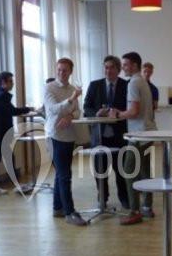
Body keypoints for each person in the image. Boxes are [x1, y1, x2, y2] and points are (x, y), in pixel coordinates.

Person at [108, 51, 156, 225]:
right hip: (148, 133)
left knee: (129, 171)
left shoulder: (133, 83)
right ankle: (147, 207)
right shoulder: (143, 82)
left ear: (135, 65)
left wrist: (118, 114)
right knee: (144, 172)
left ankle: (134, 211)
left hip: (138, 135)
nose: (123, 68)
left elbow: (134, 111)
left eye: (126, 65)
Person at [44, 58, 87, 226]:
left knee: (61, 174)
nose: (62, 73)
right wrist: (71, 100)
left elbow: (78, 112)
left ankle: (57, 208)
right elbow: (53, 109)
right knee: (65, 175)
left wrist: (70, 115)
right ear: (56, 70)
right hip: (55, 136)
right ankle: (70, 212)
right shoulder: (49, 88)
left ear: (70, 72)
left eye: (65, 70)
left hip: (69, 136)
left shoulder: (71, 89)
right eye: (59, 70)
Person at [83, 55, 129, 210]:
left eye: (111, 67)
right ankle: (102, 197)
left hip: (119, 135)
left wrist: (117, 113)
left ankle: (124, 198)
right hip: (99, 136)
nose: (108, 70)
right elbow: (86, 107)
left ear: (118, 69)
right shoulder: (94, 85)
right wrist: (97, 113)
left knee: (121, 169)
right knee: (100, 169)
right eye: (106, 67)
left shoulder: (126, 85)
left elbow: (129, 110)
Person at [0, 71, 32, 195]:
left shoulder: (2, 95)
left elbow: (10, 111)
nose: (13, 83)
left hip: (1, 131)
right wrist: (28, 109)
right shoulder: (0, 96)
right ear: (3, 82)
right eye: (10, 81)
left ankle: (15, 183)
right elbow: (12, 111)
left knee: (9, 157)